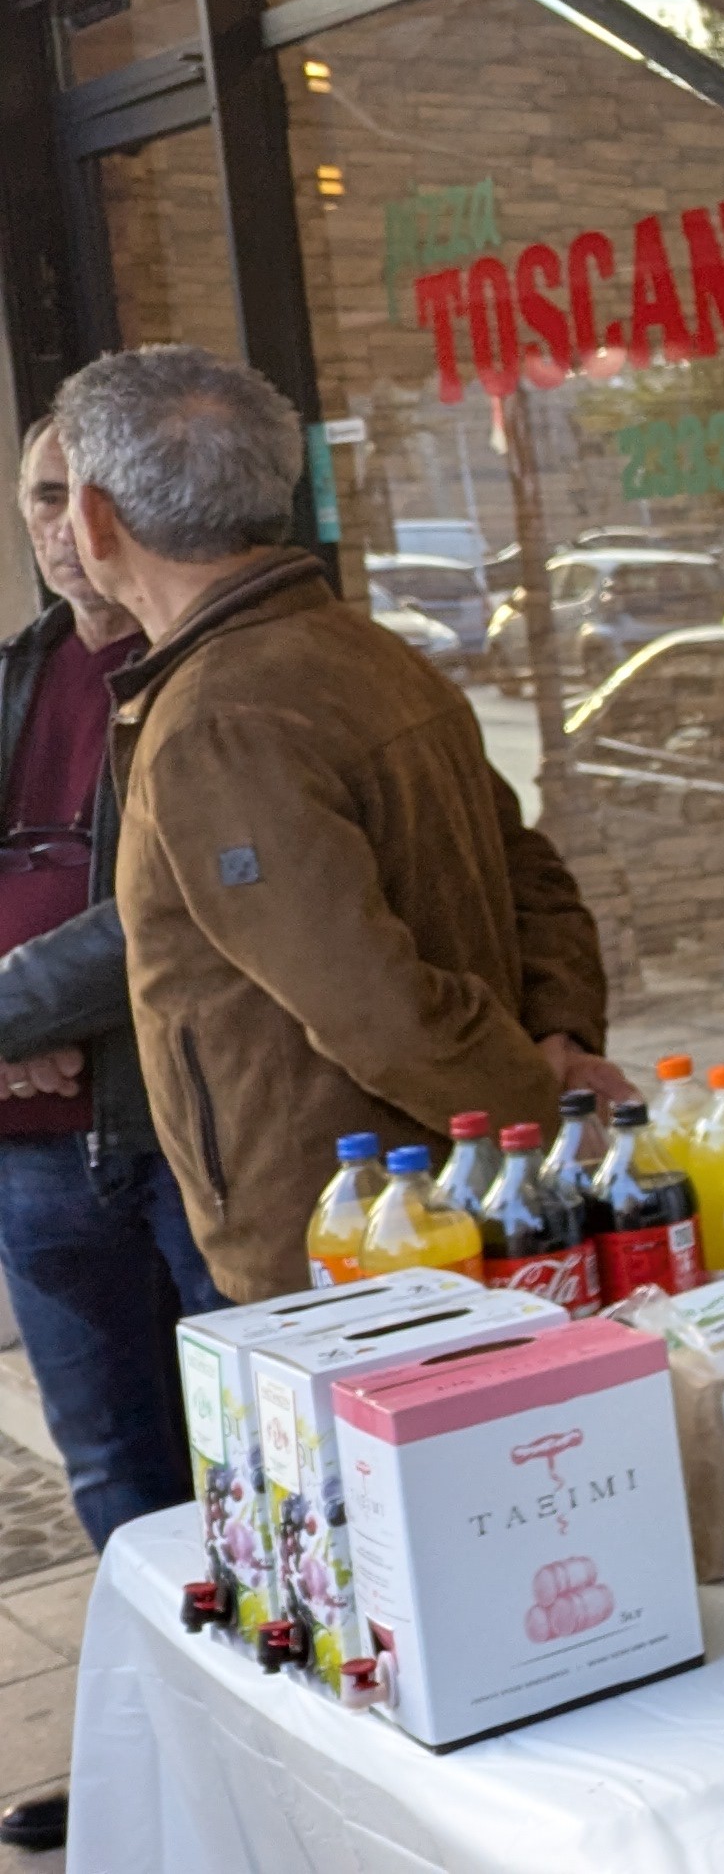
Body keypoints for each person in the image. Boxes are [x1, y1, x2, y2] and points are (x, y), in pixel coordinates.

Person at [50, 344, 630, 1305]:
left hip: (348, 1241)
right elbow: (534, 880)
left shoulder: (218, 717)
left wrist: (546, 1101)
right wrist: (558, 1043)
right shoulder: (361, 653)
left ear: (98, 516)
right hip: (428, 1208)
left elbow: (372, 1005)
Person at [0, 417, 224, 1859]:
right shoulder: (18, 674)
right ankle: (158, 1762)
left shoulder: (207, 674)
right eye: (36, 496)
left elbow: (173, 909)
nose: (58, 524)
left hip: (186, 1127)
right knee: (114, 1479)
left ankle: (263, 1760)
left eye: (76, 494)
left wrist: (6, 1012)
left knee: (241, 1468)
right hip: (32, 1148)